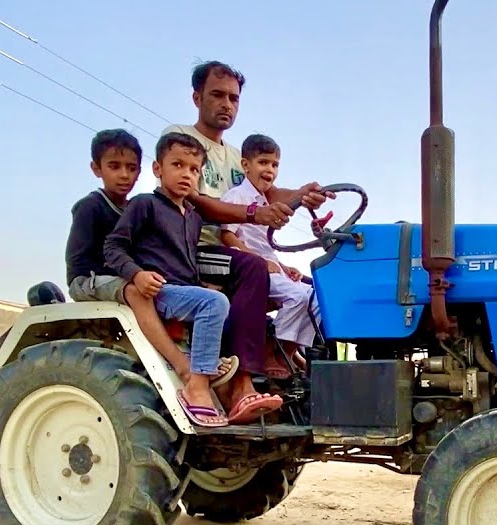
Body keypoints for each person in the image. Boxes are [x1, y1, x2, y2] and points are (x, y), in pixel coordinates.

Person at [162, 60, 332, 376]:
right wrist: (254, 214)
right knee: (253, 266)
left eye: (233, 98)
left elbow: (268, 192)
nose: (226, 104)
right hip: (198, 251)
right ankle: (245, 375)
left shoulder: (234, 154)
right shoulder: (182, 139)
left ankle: (300, 359)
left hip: (232, 252)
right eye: (217, 95)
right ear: (197, 98)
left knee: (322, 286)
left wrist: (303, 193)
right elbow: (195, 201)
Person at [104, 131, 282, 427]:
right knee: (214, 303)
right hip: (161, 289)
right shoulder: (145, 204)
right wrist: (137, 274)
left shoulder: (192, 216)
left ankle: (228, 387)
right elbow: (113, 246)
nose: (186, 174)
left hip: (185, 290)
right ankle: (196, 386)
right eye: (178, 165)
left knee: (236, 315)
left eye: (194, 169)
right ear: (158, 169)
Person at [63, 128, 236, 386]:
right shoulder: (92, 206)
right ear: (96, 168)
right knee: (137, 291)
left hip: (121, 274)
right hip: (90, 277)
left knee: (206, 298)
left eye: (131, 168)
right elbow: (89, 255)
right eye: (114, 166)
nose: (124, 175)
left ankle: (204, 361)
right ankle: (181, 364)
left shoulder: (143, 208)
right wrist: (134, 272)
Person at [220, 134, 320, 371]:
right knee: (298, 298)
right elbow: (227, 236)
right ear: (246, 165)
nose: (270, 170)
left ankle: (285, 352)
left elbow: (266, 245)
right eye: (263, 162)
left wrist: (285, 268)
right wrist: (258, 262)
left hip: (272, 267)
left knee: (318, 298)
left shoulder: (266, 201)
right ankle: (268, 354)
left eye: (274, 165)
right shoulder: (237, 197)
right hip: (249, 269)